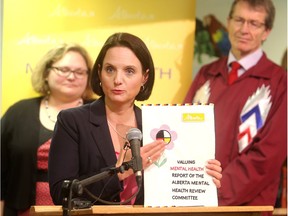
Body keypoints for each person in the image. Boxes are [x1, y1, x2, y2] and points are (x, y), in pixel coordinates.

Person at [48, 32, 223, 206]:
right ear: (100, 72)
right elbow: (62, 194)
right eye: (110, 69)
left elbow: (173, 193)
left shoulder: (158, 124)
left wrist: (201, 177)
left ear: (144, 77)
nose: (118, 80)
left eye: (129, 71)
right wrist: (120, 172)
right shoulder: (72, 121)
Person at [184, 0, 287, 215]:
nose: (244, 30)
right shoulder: (206, 74)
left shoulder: (279, 83)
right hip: (193, 202)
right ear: (228, 22)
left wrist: (213, 193)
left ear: (266, 31)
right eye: (239, 20)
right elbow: (183, 132)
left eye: (254, 23)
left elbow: (267, 156)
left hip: (247, 208)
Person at [1, 43, 95, 216]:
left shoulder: (99, 114)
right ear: (46, 73)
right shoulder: (19, 112)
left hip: (83, 211)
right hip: (22, 211)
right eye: (64, 69)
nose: (71, 76)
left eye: (80, 72)